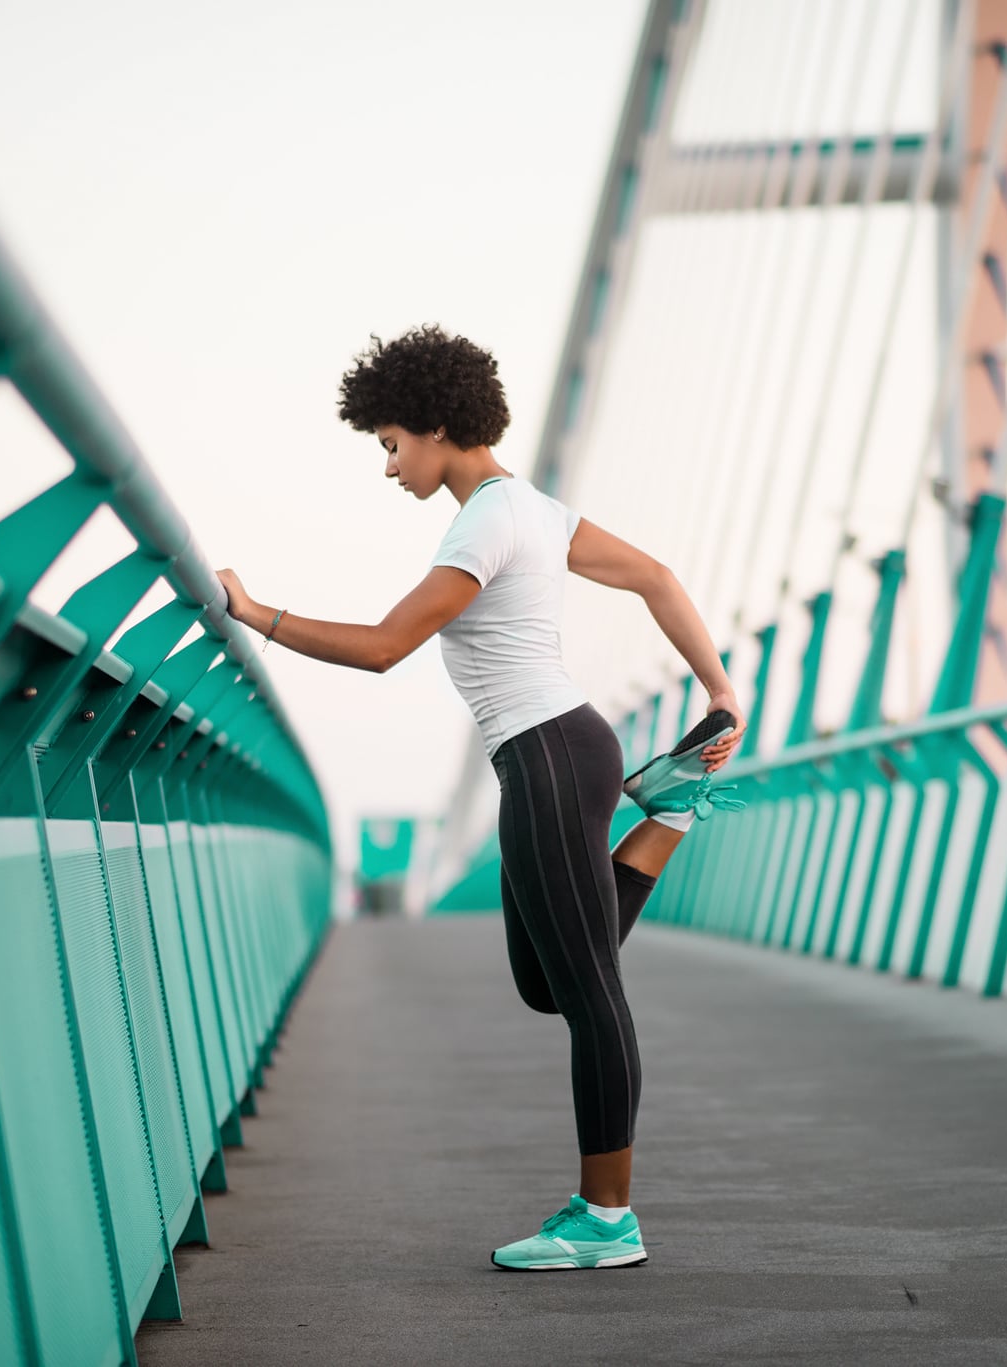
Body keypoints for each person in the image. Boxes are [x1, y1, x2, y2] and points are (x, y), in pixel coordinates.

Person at [215, 324, 743, 1271]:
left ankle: (606, 1217)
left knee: (590, 993)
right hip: (563, 750)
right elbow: (657, 577)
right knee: (545, 981)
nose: (388, 469)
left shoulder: (486, 520)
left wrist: (262, 616)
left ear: (433, 425)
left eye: (388, 444)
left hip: (546, 755)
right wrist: (719, 689)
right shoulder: (537, 511)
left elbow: (384, 648)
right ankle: (668, 813)